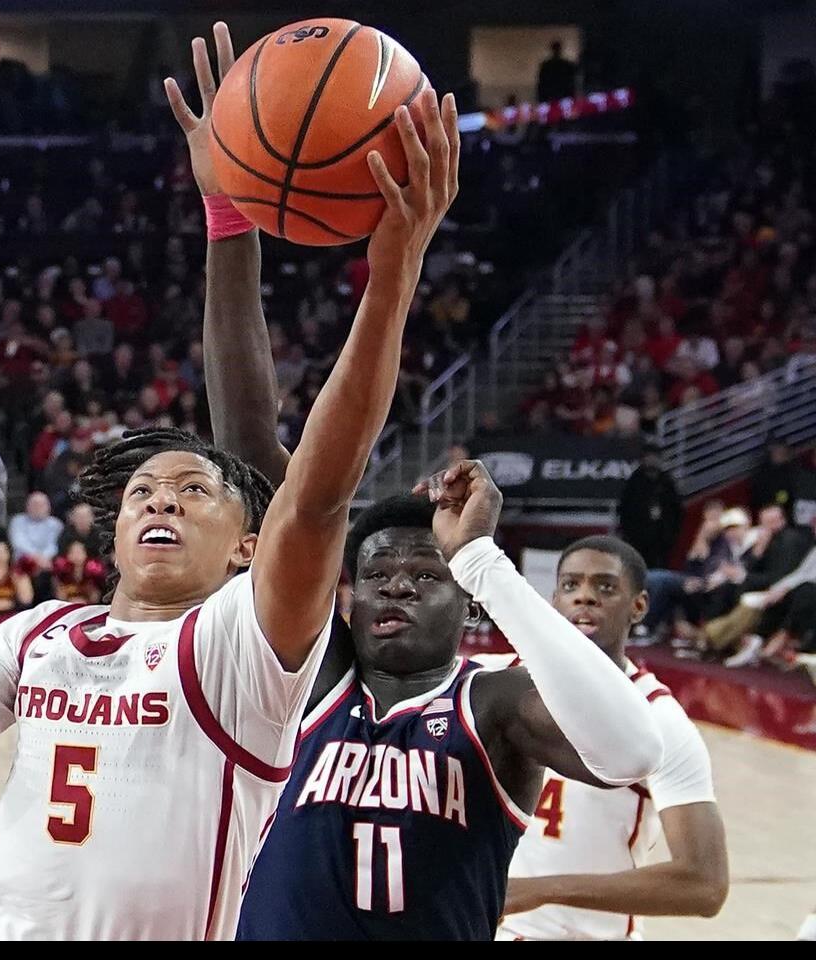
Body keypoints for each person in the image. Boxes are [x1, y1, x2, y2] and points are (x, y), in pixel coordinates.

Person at [0, 69, 463, 938]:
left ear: (248, 545)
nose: (159, 500)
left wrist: (390, 278)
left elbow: (316, 494)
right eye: (142, 491)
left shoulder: (242, 647)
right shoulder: (41, 635)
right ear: (114, 528)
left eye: (191, 489)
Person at [167, 24, 661, 942]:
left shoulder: (494, 705)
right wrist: (229, 216)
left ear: (462, 600)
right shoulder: (311, 681)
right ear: (344, 600)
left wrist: (481, 560)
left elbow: (634, 748)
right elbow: (247, 439)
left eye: (423, 574)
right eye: (381, 572)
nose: (397, 583)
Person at [496, 536, 728, 939]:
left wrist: (543, 891)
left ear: (639, 605)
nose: (584, 597)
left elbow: (704, 884)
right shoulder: (494, 684)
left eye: (604, 586)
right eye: (570, 585)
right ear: (553, 599)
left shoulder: (659, 718)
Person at [617, 443, 682, 569]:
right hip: (638, 537)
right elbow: (625, 509)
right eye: (648, 457)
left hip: (662, 538)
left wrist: (671, 533)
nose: (651, 460)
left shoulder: (666, 481)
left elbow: (676, 508)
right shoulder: (634, 482)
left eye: (655, 457)